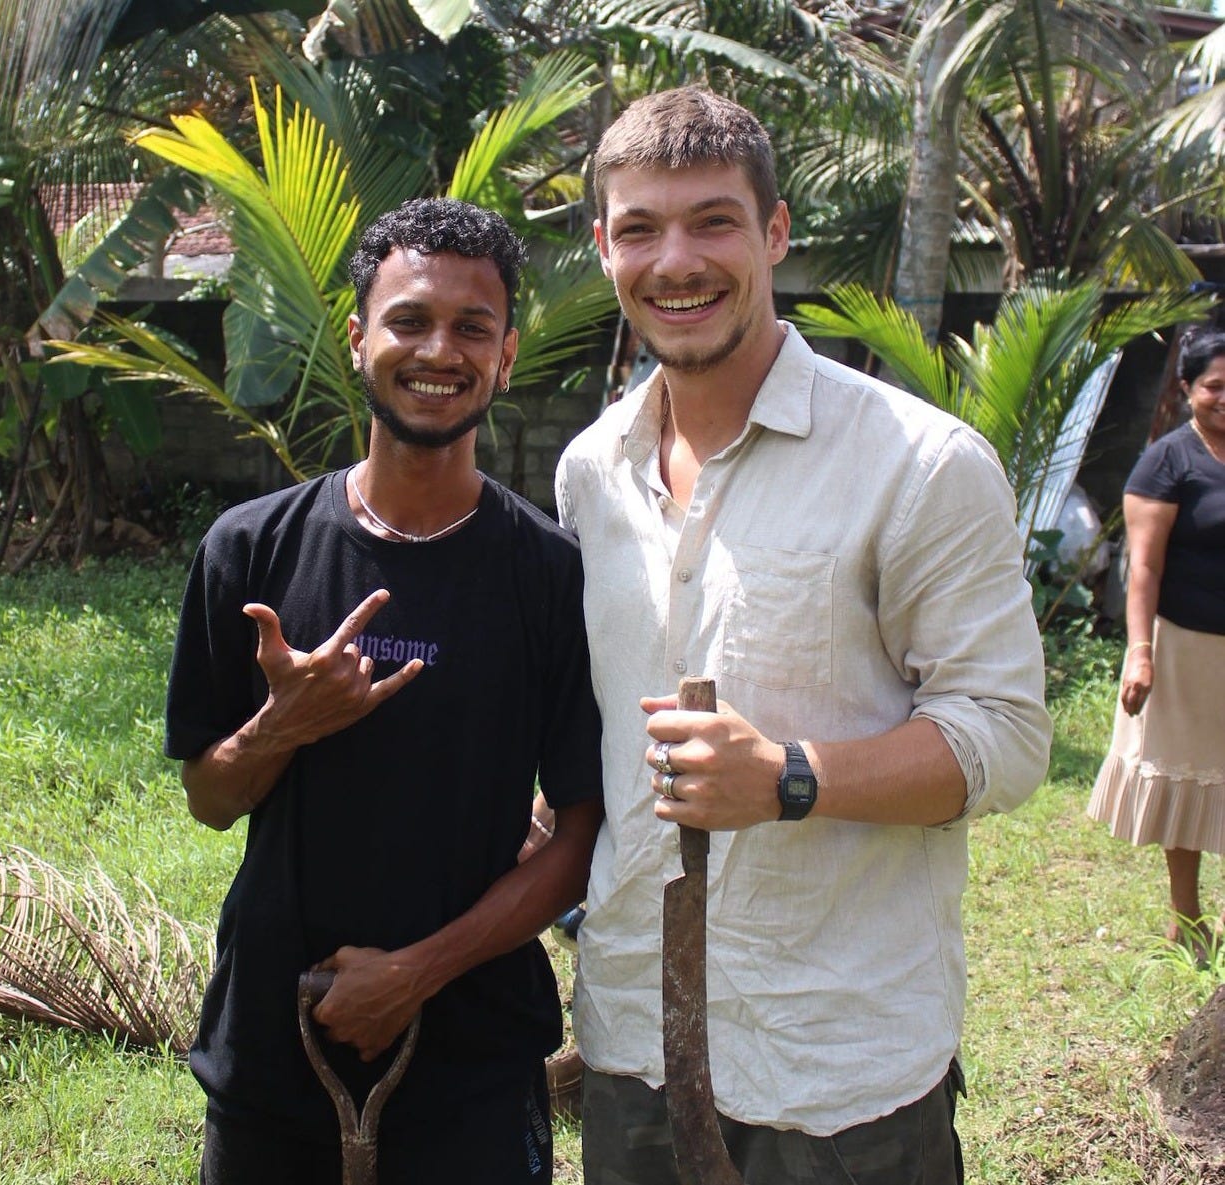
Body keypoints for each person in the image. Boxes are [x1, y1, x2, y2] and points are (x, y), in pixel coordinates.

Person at [555, 86, 1052, 1184]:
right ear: (603, 248)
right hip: (632, 1035)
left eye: (714, 222)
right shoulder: (591, 469)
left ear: (775, 232)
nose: (675, 261)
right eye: (640, 228)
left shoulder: (917, 464)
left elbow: (1007, 737)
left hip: (837, 1065)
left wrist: (788, 777)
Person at [166, 197, 605, 1185]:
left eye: (472, 328)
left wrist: (415, 974)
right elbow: (210, 798)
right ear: (360, 337)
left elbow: (581, 838)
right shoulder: (249, 550)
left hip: (473, 1069)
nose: (439, 350)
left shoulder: (552, 576)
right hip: (275, 1045)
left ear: (505, 355)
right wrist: (281, 726)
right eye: (409, 320)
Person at [1088, 328, 1225, 964]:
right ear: (1188, 388)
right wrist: (1140, 651)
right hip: (1186, 646)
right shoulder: (1167, 462)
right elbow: (1142, 567)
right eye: (1215, 386)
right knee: (1187, 776)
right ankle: (1186, 919)